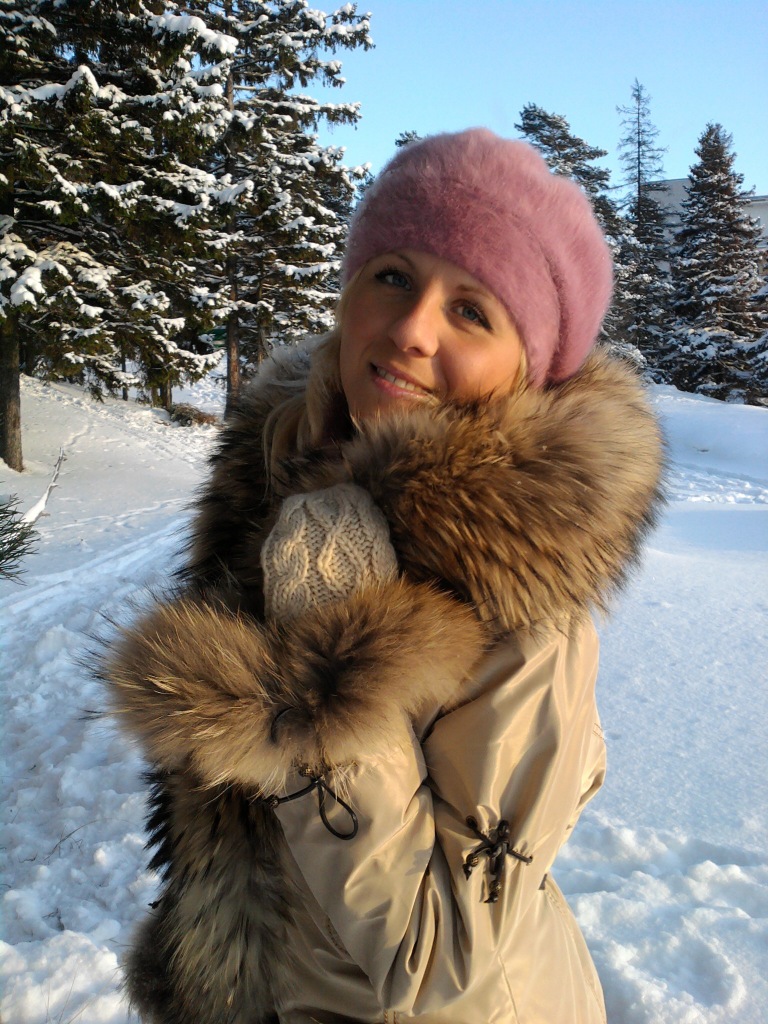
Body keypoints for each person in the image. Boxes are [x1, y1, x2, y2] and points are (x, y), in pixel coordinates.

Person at [103, 129, 665, 1024]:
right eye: (394, 276)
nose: (411, 329)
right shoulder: (282, 467)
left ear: (528, 368)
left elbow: (441, 964)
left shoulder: (524, 601)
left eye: (472, 311)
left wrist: (323, 684)